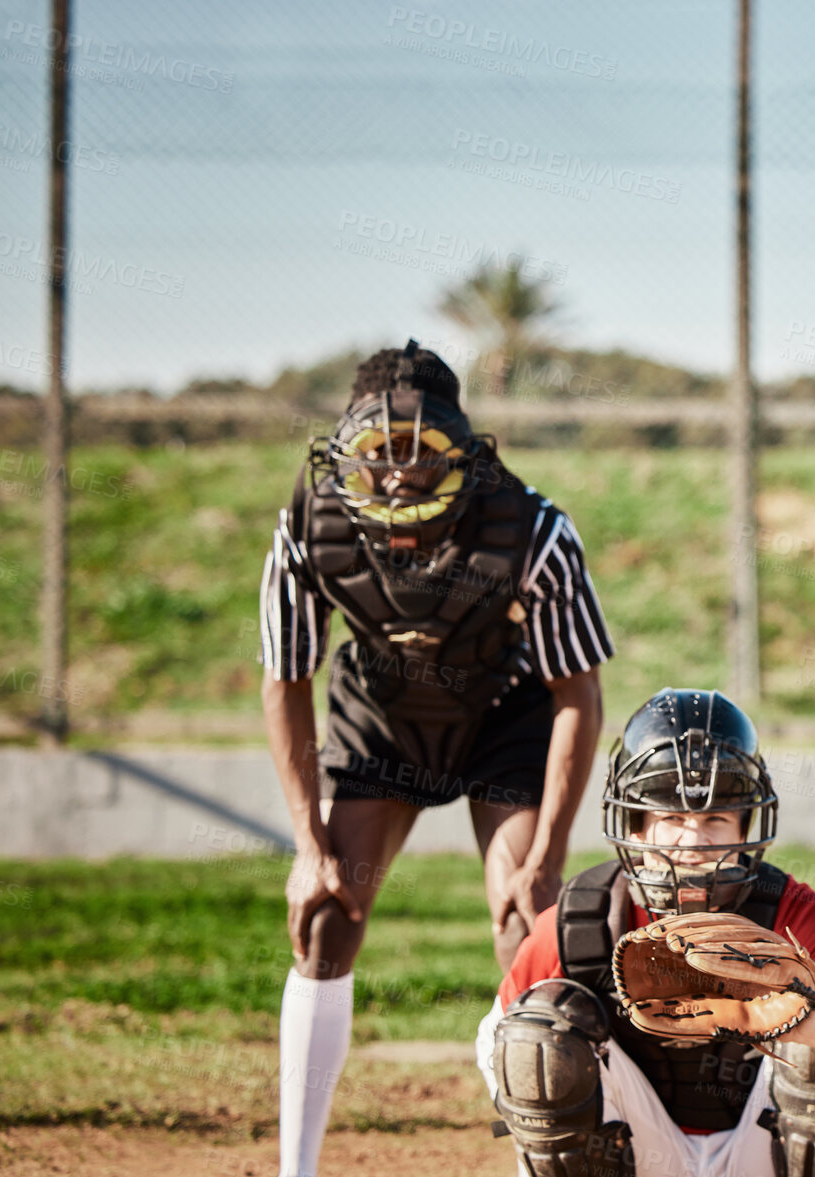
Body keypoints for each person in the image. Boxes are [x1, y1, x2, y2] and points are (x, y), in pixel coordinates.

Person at [259, 340, 613, 1177]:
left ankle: (546, 1161)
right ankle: (295, 1167)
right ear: (348, 452)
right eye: (381, 452)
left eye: (424, 450)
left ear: (463, 449)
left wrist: (549, 859)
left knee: (527, 925)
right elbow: (286, 682)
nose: (402, 472)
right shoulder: (309, 525)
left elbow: (578, 699)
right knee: (325, 914)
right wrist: (309, 850)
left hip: (502, 714)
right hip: (382, 719)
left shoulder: (532, 528)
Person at [475, 688, 815, 1177]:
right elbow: (498, 1043)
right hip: (637, 1149)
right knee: (538, 1039)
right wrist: (558, 1100)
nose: (694, 842)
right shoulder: (588, 916)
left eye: (716, 819)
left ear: (747, 825)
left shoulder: (787, 909)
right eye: (672, 818)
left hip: (758, 1149)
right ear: (636, 827)